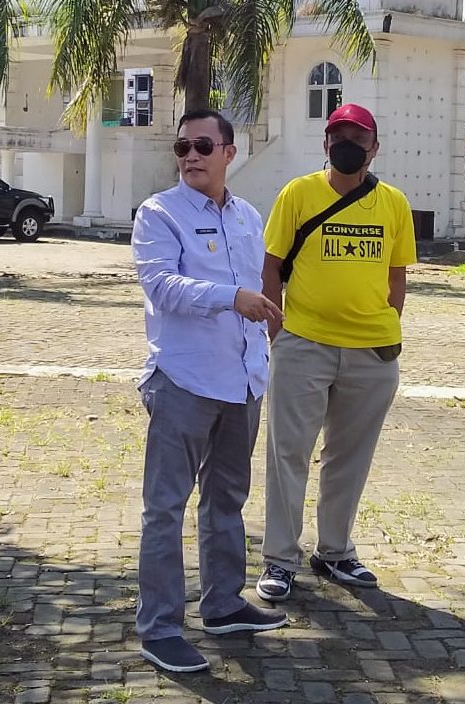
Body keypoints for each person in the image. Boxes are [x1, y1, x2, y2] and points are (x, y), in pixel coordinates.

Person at [132, 109, 288, 674]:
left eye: (203, 145)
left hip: (243, 380)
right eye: (182, 147)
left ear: (230, 151)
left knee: (227, 500)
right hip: (185, 380)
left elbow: (261, 286)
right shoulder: (159, 212)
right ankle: (160, 628)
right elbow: (161, 286)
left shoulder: (248, 214)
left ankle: (223, 604)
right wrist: (231, 298)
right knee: (165, 509)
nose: (191, 155)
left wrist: (263, 333)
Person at [255, 103, 417, 601]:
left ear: (374, 147)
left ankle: (335, 551)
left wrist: (386, 327)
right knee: (289, 453)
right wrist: (279, 335)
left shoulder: (393, 203)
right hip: (304, 343)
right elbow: (272, 267)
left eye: (358, 137)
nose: (347, 145)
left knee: (350, 456)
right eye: (338, 136)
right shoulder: (298, 194)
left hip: (372, 352)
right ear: (325, 144)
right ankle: (280, 559)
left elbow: (397, 276)